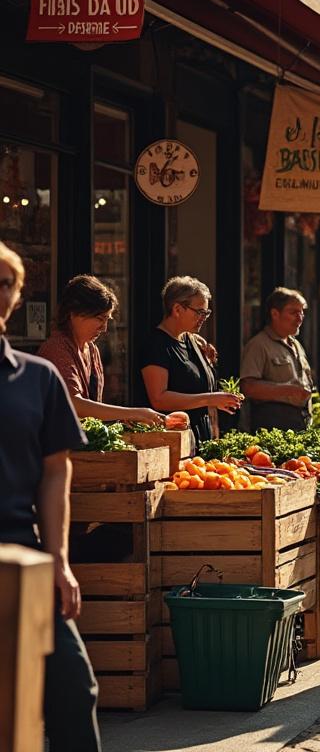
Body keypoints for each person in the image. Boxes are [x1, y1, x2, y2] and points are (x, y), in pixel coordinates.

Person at [0, 242, 101, 750]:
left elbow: (56, 472)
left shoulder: (37, 378)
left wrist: (59, 561)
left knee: (72, 688)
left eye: (5, 283)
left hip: (23, 553)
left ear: (17, 296)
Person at [38, 275, 163, 425]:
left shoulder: (92, 350)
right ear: (74, 314)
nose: (104, 328)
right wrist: (133, 413)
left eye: (107, 320)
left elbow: (92, 411)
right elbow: (73, 404)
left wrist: (123, 419)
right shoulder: (56, 348)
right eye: (99, 319)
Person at [141, 276, 240, 444]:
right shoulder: (156, 345)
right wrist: (210, 399)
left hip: (200, 440)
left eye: (206, 313)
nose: (204, 318)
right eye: (200, 312)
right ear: (177, 309)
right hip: (173, 443)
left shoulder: (191, 340)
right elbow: (159, 399)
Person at [240, 287, 316, 432]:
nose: (300, 318)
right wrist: (288, 391)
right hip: (272, 427)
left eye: (302, 312)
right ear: (275, 314)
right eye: (293, 312)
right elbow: (248, 387)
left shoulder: (296, 344)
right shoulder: (259, 345)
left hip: (300, 424)